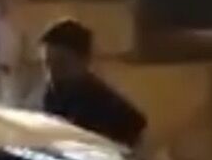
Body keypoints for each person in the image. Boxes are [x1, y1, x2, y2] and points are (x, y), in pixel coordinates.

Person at [38, 20, 146, 148]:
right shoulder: (53, 95)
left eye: (62, 64)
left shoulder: (106, 104)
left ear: (84, 61)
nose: (53, 72)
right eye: (47, 64)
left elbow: (136, 128)